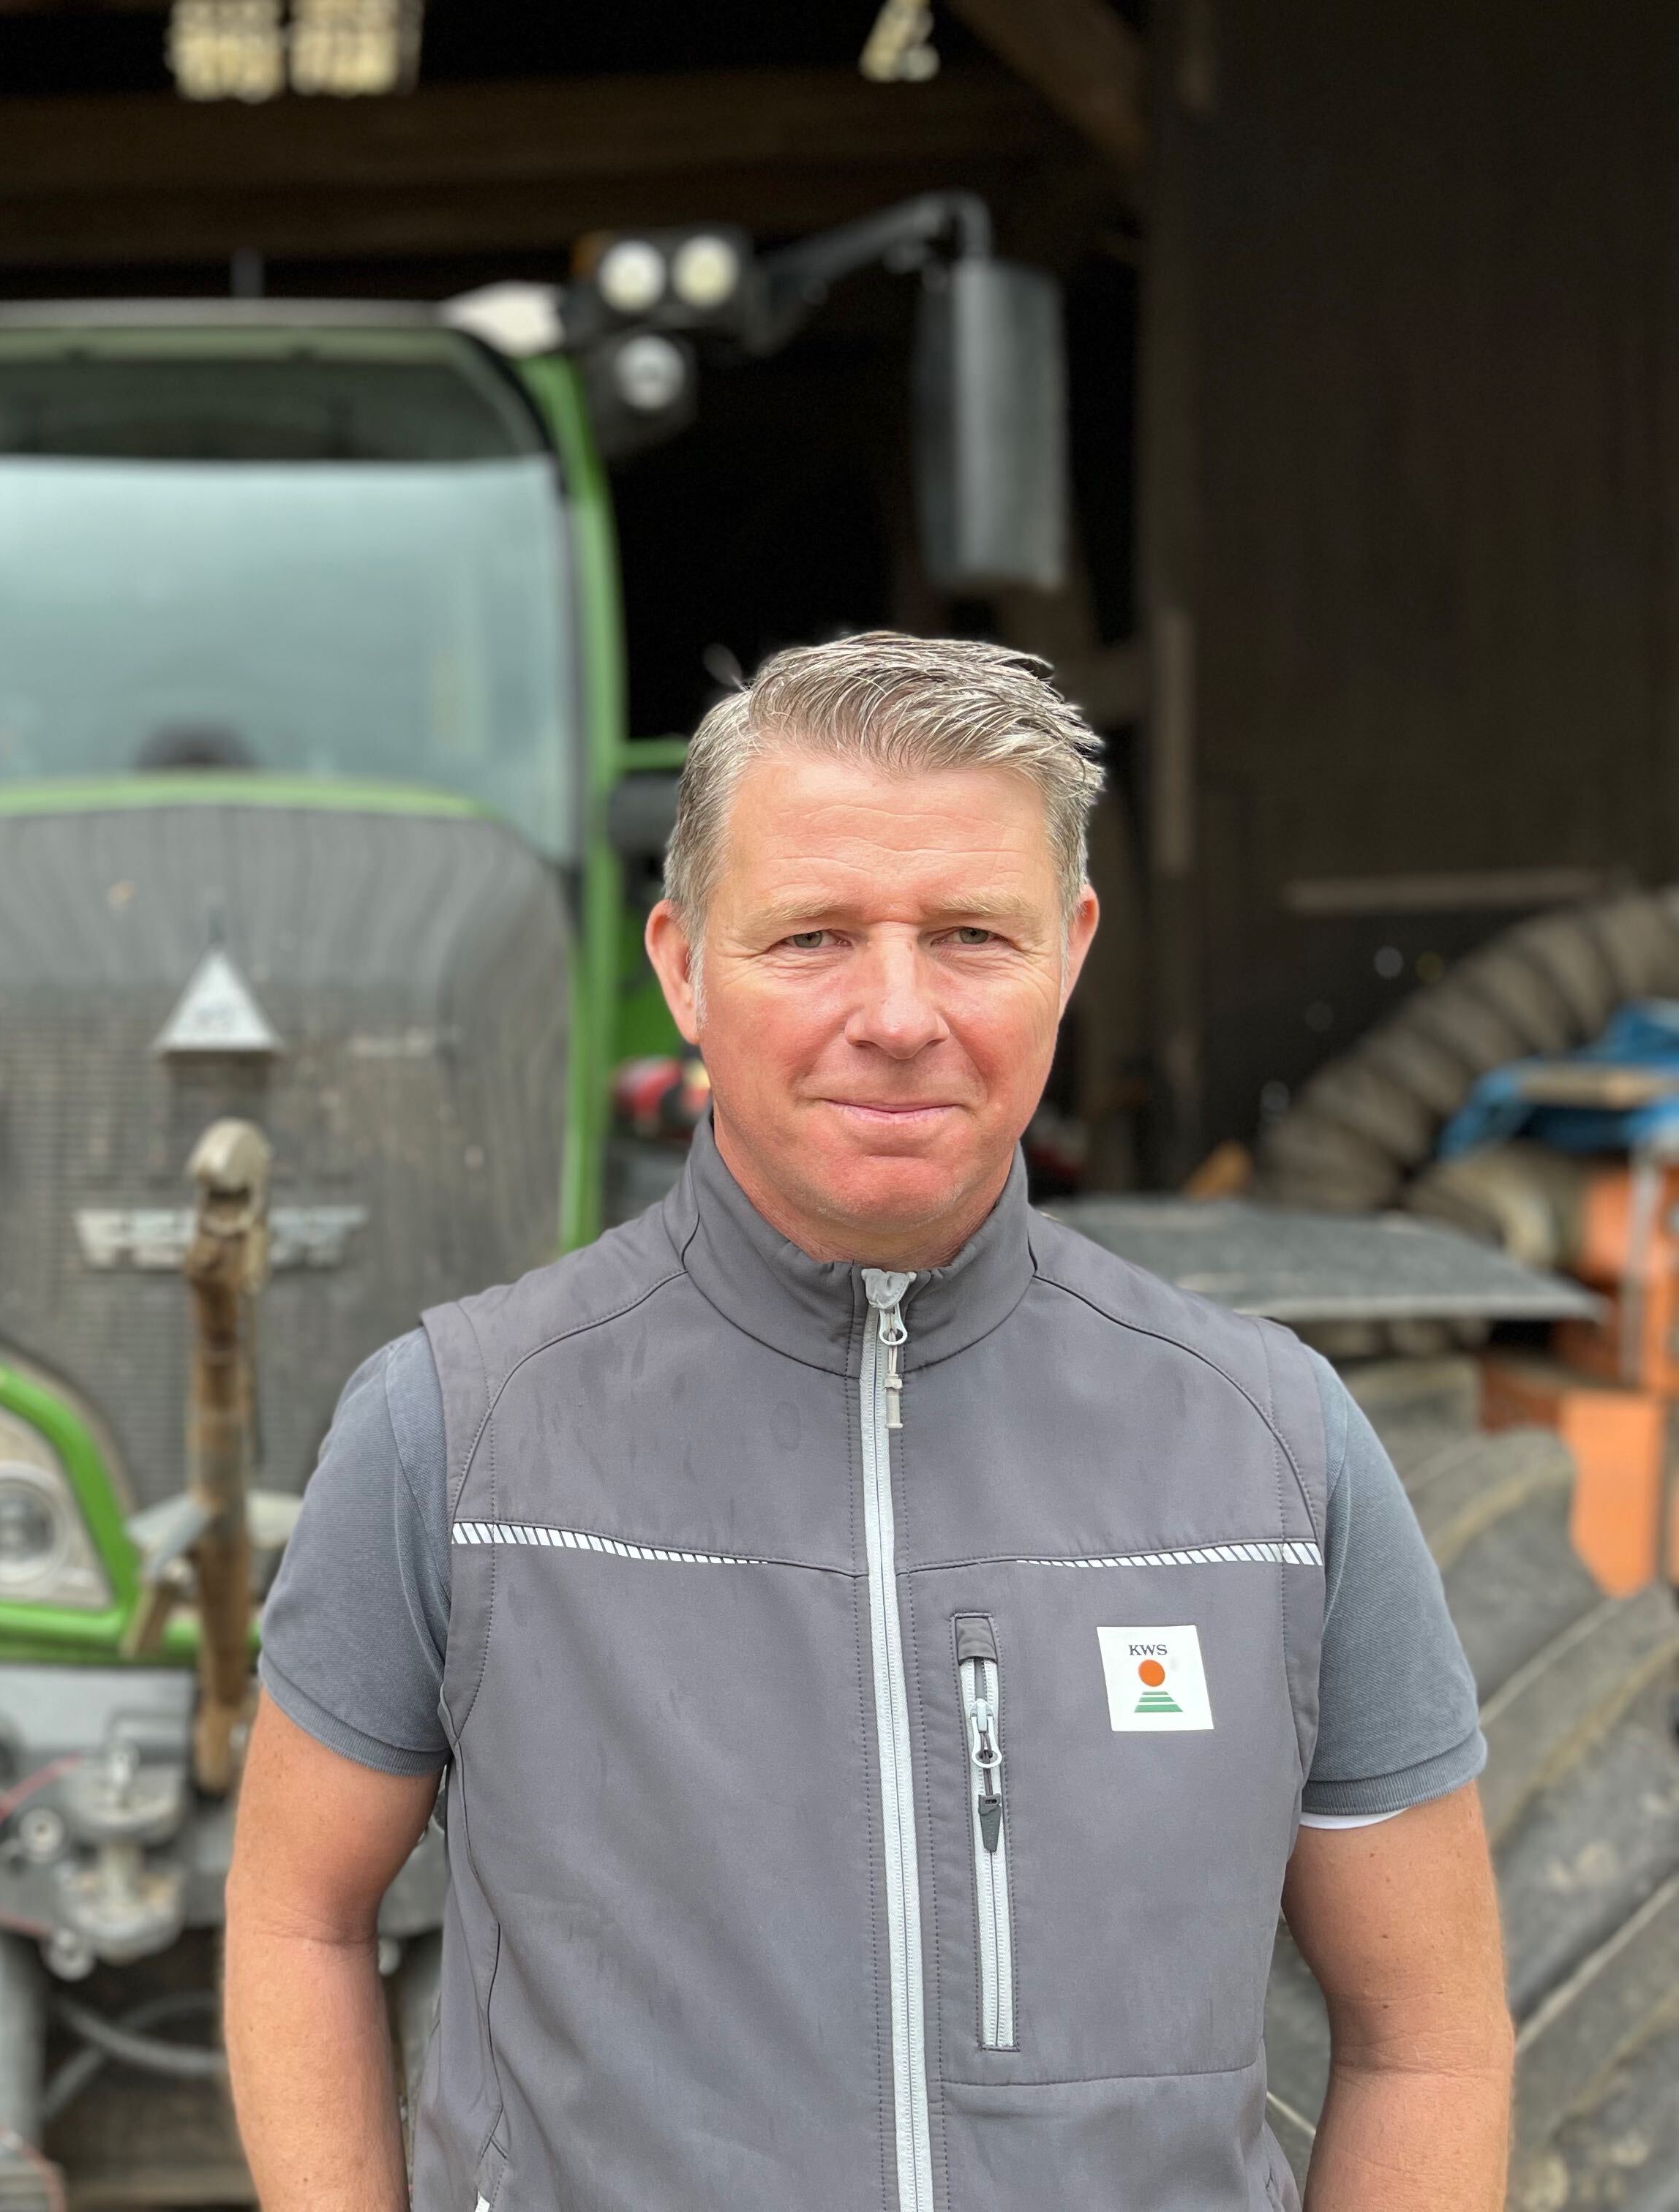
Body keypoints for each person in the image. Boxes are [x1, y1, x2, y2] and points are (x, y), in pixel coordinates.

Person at [225, 633, 1512, 2211]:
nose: (895, 1013)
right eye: (813, 937)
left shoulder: (1274, 1455)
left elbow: (1429, 2041)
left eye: (971, 933)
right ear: (684, 966)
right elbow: (296, 1920)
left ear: (1074, 950)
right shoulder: (458, 1438)